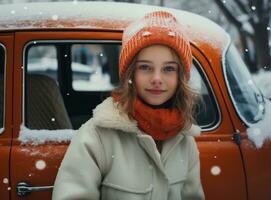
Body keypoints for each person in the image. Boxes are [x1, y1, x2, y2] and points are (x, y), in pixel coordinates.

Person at [52, 10, 205, 200]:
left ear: (180, 77)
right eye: (145, 67)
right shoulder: (97, 136)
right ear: (130, 74)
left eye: (168, 68)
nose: (157, 78)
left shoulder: (184, 139)